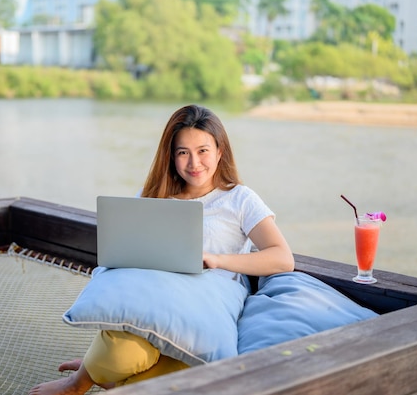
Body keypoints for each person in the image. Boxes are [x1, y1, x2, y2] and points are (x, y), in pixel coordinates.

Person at [29, 104, 294, 395]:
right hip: (154, 300)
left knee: (155, 386)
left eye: (203, 150)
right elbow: (127, 250)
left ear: (220, 151)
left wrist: (217, 260)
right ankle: (79, 381)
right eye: (183, 152)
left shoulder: (240, 199)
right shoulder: (153, 196)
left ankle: (99, 373)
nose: (194, 163)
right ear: (171, 156)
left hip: (201, 311)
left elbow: (282, 257)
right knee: (122, 354)